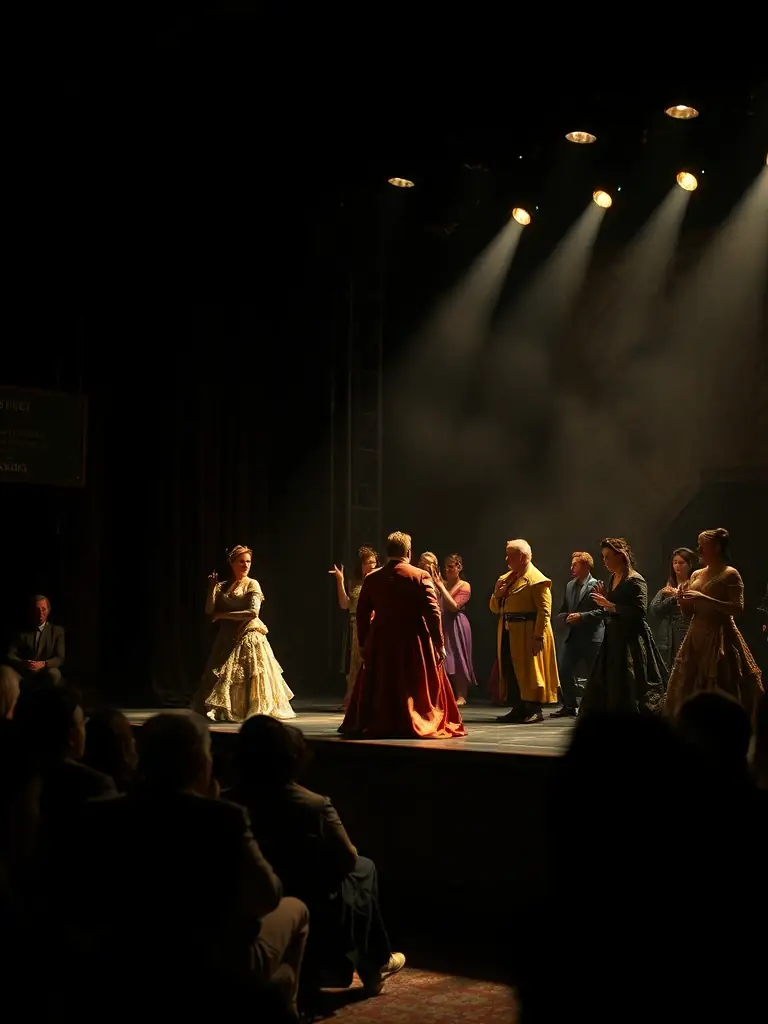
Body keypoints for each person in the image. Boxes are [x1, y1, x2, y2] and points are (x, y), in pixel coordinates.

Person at [231, 716, 406, 999]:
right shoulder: (313, 805)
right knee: (364, 868)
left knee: (355, 872)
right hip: (303, 893)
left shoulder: (227, 801)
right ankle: (373, 964)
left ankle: (374, 963)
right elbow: (348, 857)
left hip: (250, 892)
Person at [340, 532, 466, 739]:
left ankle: (382, 719)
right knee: (414, 681)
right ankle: (416, 717)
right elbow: (433, 613)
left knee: (383, 680)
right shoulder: (419, 576)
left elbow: (362, 613)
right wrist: (438, 643)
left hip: (382, 639)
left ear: (387, 552)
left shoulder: (373, 578)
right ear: (408, 552)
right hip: (413, 639)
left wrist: (364, 643)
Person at [665, 528, 763, 720]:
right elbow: (690, 612)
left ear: (716, 547)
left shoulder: (730, 574)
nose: (699, 551)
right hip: (696, 633)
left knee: (721, 677)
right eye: (699, 547)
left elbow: (737, 608)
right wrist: (683, 601)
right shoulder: (696, 575)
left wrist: (704, 597)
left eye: (703, 547)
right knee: (688, 679)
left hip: (720, 633)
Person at [195, 545, 295, 722]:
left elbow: (253, 612)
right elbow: (209, 609)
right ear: (232, 563)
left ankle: (247, 709)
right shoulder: (224, 586)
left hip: (248, 632)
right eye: (241, 561)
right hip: (226, 636)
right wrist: (211, 588)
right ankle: (226, 709)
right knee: (222, 675)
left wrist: (224, 615)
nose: (245, 565)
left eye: (248, 561)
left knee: (244, 673)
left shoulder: (252, 583)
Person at [579, 538, 667, 716]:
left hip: (631, 637)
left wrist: (610, 605)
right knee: (610, 677)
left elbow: (640, 612)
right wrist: (605, 601)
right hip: (614, 635)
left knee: (630, 678)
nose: (604, 561)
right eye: (603, 557)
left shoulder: (636, 580)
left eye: (608, 557)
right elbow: (612, 606)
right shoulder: (613, 578)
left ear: (620, 556)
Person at [490, 539, 559, 724]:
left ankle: (533, 708)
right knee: (511, 669)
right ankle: (519, 707)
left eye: (510, 555)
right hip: (509, 631)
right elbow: (494, 607)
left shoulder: (537, 580)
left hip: (528, 632)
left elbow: (545, 611)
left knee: (530, 672)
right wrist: (498, 594)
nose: (506, 559)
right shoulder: (506, 579)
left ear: (522, 557)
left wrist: (538, 636)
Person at [550, 551, 604, 718]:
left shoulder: (597, 585)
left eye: (575, 565)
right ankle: (569, 705)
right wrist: (563, 617)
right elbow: (566, 607)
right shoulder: (570, 585)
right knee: (565, 670)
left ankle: (596, 706)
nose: (571, 568)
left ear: (586, 566)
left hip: (591, 636)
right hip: (572, 635)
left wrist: (581, 617)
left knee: (594, 674)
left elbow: (601, 612)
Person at [329, 546, 379, 710]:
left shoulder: (379, 581)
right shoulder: (355, 583)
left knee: (371, 664)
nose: (371, 565)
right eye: (368, 562)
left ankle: (371, 700)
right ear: (362, 565)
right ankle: (352, 699)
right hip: (355, 626)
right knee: (353, 665)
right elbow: (344, 604)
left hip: (373, 626)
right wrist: (340, 581)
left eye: (373, 562)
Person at [430, 554, 477, 706]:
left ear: (459, 567)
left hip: (457, 624)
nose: (448, 570)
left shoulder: (464, 586)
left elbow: (453, 606)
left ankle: (461, 695)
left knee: (458, 657)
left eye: (451, 567)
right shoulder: (441, 584)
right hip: (443, 623)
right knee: (444, 658)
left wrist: (441, 587)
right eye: (446, 567)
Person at [1, 595, 65, 692]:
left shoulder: (57, 632)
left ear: (48, 610)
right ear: (31, 612)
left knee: (55, 674)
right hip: (24, 671)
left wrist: (43, 664)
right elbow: (10, 654)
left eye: (43, 609)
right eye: (37, 610)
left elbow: (60, 658)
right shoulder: (21, 632)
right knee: (5, 672)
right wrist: (23, 663)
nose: (40, 613)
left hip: (46, 670)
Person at [648, 547, 696, 671]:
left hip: (687, 632)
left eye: (681, 563)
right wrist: (672, 598)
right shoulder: (669, 586)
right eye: (675, 562)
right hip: (667, 636)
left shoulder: (695, 585)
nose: (677, 566)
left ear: (690, 564)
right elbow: (654, 609)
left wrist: (678, 596)